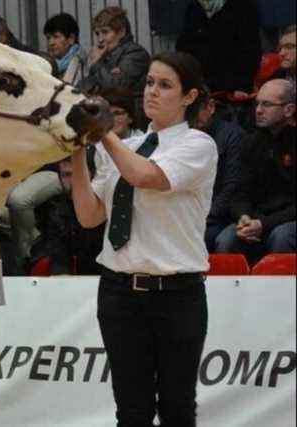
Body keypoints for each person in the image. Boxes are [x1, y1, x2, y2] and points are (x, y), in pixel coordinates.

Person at [71, 51, 216, 426]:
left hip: (177, 294)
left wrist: (104, 134)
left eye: (165, 85)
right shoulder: (126, 148)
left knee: (176, 408)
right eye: (150, 82)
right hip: (118, 292)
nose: (152, 91)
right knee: (131, 411)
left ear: (189, 96)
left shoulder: (198, 145)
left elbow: (148, 177)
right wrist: (74, 153)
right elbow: (89, 216)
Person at [214, 79, 296, 261]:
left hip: (287, 220)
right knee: (226, 240)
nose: (258, 110)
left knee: (282, 237)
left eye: (266, 104)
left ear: (289, 110)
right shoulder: (251, 142)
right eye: (257, 103)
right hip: (256, 218)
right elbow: (239, 192)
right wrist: (243, 217)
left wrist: (264, 224)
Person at [29, 157, 104, 275]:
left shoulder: (107, 205)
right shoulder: (59, 211)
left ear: (92, 174)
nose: (73, 180)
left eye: (79, 175)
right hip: (83, 277)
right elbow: (59, 258)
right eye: (66, 175)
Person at [193, 89, 245, 252]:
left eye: (198, 110)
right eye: (188, 111)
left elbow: (232, 186)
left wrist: (204, 216)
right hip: (192, 212)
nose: (193, 116)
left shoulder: (233, 136)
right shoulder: (186, 135)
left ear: (211, 107)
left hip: (222, 215)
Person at [176, 0, 261, 96]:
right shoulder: (194, 8)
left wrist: (242, 86)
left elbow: (251, 51)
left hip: (231, 89)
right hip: (200, 87)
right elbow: (183, 48)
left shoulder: (243, 6)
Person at [78, 7, 150, 97]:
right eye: (97, 33)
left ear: (121, 32)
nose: (100, 39)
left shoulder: (136, 54)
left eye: (105, 32)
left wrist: (97, 64)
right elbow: (86, 85)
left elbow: (116, 88)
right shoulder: (105, 55)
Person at [43, 13, 87, 85]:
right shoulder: (50, 65)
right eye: (48, 38)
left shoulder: (80, 63)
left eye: (56, 37)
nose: (51, 43)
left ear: (71, 39)